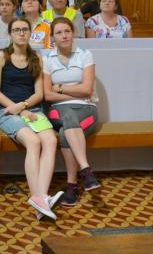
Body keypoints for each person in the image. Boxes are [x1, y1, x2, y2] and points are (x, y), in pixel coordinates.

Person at [0, 17, 60, 220]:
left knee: (50, 141)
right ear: (10, 34)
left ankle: (41, 198)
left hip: (33, 108)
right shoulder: (1, 56)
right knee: (33, 141)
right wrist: (19, 110)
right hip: (8, 112)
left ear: (30, 33)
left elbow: (39, 93)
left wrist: (24, 106)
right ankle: (38, 197)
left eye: (24, 30)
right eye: (17, 30)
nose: (21, 33)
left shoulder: (36, 56)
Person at [43, 17, 102, 206]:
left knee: (64, 132)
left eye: (67, 31)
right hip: (58, 110)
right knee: (68, 116)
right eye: (59, 32)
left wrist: (60, 88)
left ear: (73, 33)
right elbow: (47, 95)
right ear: (53, 37)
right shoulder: (47, 59)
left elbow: (87, 90)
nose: (64, 36)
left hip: (87, 109)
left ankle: (72, 185)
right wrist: (74, 92)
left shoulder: (85, 55)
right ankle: (86, 171)